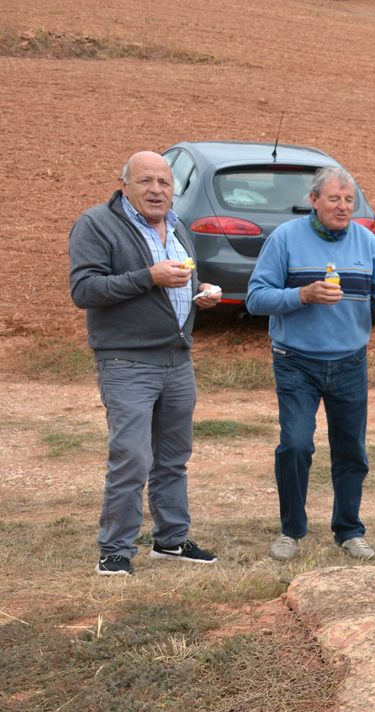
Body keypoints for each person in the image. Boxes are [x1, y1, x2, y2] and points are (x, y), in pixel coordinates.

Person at [69, 151, 223, 576]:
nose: (156, 190)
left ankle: (171, 541)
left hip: (177, 359)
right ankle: (115, 550)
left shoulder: (178, 226)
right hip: (126, 362)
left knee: (173, 458)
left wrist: (201, 291)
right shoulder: (97, 224)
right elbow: (84, 289)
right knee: (131, 459)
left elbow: (182, 280)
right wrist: (148, 277)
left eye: (164, 182)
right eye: (145, 181)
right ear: (124, 185)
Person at [246, 166, 375, 562]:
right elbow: (255, 298)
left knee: (351, 450)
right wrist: (301, 295)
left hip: (350, 362)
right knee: (296, 445)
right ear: (314, 200)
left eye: (349, 200)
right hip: (296, 362)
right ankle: (291, 530)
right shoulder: (285, 238)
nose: (343, 207)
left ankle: (349, 530)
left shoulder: (367, 242)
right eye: (334, 199)